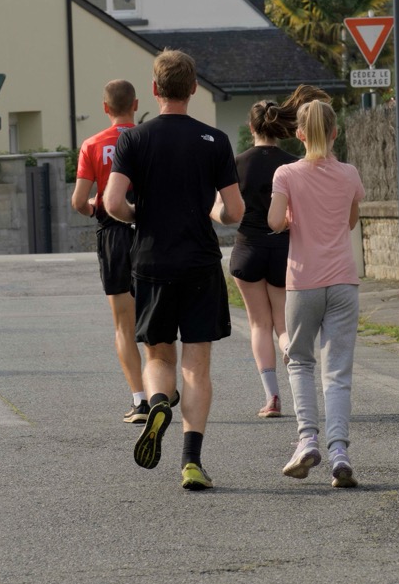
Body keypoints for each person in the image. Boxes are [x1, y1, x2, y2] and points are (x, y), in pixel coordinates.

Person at [104, 49, 244, 491]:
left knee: (159, 356)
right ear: (194, 88)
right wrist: (213, 212)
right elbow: (234, 211)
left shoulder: (133, 139)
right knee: (197, 365)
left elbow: (112, 203)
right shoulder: (214, 140)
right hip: (200, 261)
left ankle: (159, 402)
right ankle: (191, 461)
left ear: (154, 89)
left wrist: (138, 217)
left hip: (150, 261)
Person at [268, 99, 366, 488]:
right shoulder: (350, 174)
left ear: (300, 133)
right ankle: (340, 451)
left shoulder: (286, 174)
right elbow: (350, 221)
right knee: (337, 370)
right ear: (335, 132)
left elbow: (274, 221)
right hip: (343, 280)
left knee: (300, 361)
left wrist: (291, 217)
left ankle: (307, 440)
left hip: (303, 281)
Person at [72, 79, 149, 425]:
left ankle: (140, 400)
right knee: (155, 316)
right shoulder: (149, 139)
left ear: (105, 108)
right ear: (136, 104)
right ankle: (162, 387)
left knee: (123, 325)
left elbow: (78, 201)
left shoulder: (92, 144)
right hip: (151, 232)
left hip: (113, 236)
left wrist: (92, 207)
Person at [230, 100, 298, 418]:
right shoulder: (294, 165)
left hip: (247, 249)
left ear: (251, 127)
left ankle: (272, 398)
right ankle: (290, 349)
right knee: (283, 323)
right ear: (279, 127)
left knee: (258, 324)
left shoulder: (236, 164)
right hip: (283, 249)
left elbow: (227, 210)